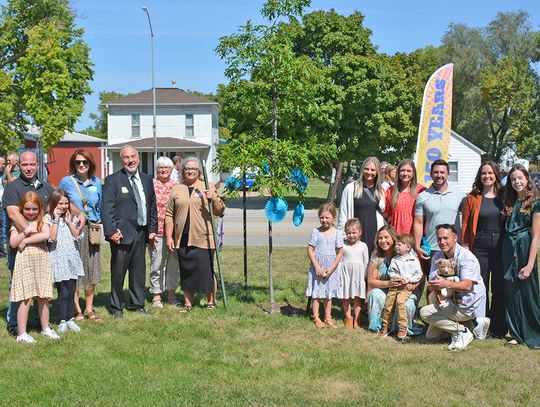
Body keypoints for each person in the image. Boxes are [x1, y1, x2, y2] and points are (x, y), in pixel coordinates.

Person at [2, 151, 55, 335]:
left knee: (40, 286)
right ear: (19, 166)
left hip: (42, 249)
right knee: (18, 286)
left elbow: (53, 210)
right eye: (24, 165)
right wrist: (34, 231)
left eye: (32, 164)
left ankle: (38, 322)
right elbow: (13, 214)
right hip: (20, 248)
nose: (29, 168)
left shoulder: (46, 188)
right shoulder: (12, 188)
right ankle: (15, 325)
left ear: (38, 165)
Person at [101, 145, 158, 318]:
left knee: (139, 271)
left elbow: (152, 207)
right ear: (122, 160)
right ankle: (117, 307)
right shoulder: (113, 180)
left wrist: (153, 230)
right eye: (126, 157)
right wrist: (111, 232)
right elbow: (107, 209)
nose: (130, 160)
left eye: (133, 156)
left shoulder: (147, 180)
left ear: (139, 159)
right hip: (121, 234)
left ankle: (137, 304)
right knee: (118, 272)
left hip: (142, 233)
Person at [165, 157, 225, 311]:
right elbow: (169, 215)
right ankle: (188, 303)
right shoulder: (176, 189)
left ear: (198, 171)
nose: (190, 171)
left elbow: (220, 211)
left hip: (203, 236)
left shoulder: (207, 187)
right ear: (182, 171)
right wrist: (169, 236)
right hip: (183, 237)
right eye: (187, 168)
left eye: (193, 169)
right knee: (187, 271)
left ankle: (211, 301)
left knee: (206, 270)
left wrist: (214, 198)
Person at [420, 224, 487, 351]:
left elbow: (467, 286)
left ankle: (462, 331)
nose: (442, 242)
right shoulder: (437, 257)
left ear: (455, 238)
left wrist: (447, 284)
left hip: (468, 305)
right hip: (448, 302)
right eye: (439, 239)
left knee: (424, 312)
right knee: (431, 336)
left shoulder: (466, 257)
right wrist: (438, 286)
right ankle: (469, 326)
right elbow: (431, 285)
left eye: (446, 238)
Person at [461, 161, 506, 338]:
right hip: (479, 245)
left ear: (496, 175)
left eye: (490, 173)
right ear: (479, 176)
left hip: (500, 244)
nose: (487, 176)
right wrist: (465, 246)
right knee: (480, 287)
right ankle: (481, 324)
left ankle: (498, 326)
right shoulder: (472, 197)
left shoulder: (504, 196)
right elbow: (465, 224)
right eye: (483, 174)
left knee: (499, 286)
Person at [58, 149, 103, 321]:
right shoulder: (67, 182)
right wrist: (77, 215)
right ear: (73, 164)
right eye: (78, 162)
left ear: (91, 164)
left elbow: (99, 207)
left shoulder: (97, 182)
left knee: (91, 269)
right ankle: (77, 309)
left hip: (92, 230)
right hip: (73, 229)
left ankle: (89, 309)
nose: (81, 165)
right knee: (75, 269)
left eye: (85, 162)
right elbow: (60, 202)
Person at [9, 191, 59, 343]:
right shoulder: (17, 224)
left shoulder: (42, 221)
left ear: (40, 208)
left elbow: (46, 236)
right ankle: (22, 333)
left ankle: (45, 328)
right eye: (27, 209)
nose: (31, 212)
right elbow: (13, 243)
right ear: (22, 209)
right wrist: (25, 233)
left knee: (43, 297)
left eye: (34, 209)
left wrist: (25, 242)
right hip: (25, 262)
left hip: (41, 261)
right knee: (26, 298)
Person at [501, 164, 540, 349]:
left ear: (527, 179)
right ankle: (516, 332)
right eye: (513, 179)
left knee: (527, 290)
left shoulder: (535, 202)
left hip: (525, 247)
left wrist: (531, 264)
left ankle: (533, 331)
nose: (517, 182)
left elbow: (537, 236)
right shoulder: (509, 202)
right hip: (509, 247)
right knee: (511, 288)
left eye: (520, 178)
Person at [367, 225, 421, 335]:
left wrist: (412, 286)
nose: (383, 241)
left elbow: (419, 275)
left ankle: (403, 327)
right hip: (387, 290)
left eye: (386, 237)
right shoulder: (376, 255)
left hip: (406, 290)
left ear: (393, 238)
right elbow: (370, 281)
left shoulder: (408, 252)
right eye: (380, 238)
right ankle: (380, 325)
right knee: (375, 294)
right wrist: (388, 283)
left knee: (406, 304)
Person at [414, 159, 465, 267]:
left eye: (442, 172)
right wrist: (417, 246)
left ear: (448, 174)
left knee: (454, 281)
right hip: (432, 247)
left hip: (454, 247)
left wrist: (466, 243)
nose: (439, 175)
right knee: (434, 282)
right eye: (436, 172)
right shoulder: (422, 196)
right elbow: (418, 222)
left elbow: (468, 218)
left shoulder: (459, 194)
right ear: (431, 174)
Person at [46, 190, 85, 333]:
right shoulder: (49, 219)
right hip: (58, 259)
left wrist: (69, 221)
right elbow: (52, 238)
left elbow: (76, 235)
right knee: (63, 292)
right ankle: (61, 319)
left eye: (66, 203)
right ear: (53, 203)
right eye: (60, 203)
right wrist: (56, 219)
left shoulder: (71, 218)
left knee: (71, 290)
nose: (63, 206)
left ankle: (71, 318)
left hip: (71, 258)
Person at [149, 156, 180, 308]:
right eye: (160, 168)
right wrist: (151, 231)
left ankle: (172, 294)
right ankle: (156, 296)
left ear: (171, 170)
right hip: (157, 232)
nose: (163, 170)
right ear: (156, 170)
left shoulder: (176, 185)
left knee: (174, 264)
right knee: (157, 263)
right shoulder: (151, 184)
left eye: (166, 168)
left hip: (174, 232)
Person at [305, 203, 343, 328]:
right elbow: (310, 250)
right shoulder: (316, 232)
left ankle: (328, 318)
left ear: (333, 217)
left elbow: (340, 253)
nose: (324, 220)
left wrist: (331, 270)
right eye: (322, 217)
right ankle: (316, 317)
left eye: (327, 217)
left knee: (328, 294)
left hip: (330, 269)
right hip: (318, 268)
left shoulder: (337, 233)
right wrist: (317, 267)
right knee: (316, 294)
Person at [338, 157, 385, 255]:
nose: (369, 172)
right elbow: (343, 214)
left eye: (372, 170)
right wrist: (343, 236)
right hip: (355, 236)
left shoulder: (382, 191)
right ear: (362, 169)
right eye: (366, 169)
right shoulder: (351, 188)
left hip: (374, 235)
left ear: (377, 172)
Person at [380, 233, 422, 339]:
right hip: (395, 286)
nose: (396, 247)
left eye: (400, 245)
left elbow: (419, 275)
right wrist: (395, 277)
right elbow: (391, 271)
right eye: (396, 245)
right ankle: (386, 325)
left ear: (408, 248)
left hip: (405, 288)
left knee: (400, 302)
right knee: (389, 303)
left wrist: (409, 280)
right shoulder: (395, 260)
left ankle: (403, 326)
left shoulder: (413, 260)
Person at [338, 218, 369, 329]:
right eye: (349, 233)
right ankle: (348, 318)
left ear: (360, 232)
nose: (351, 235)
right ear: (345, 233)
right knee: (345, 297)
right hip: (345, 274)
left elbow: (366, 261)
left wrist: (365, 276)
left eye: (354, 233)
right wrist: (339, 276)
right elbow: (339, 261)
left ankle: (357, 318)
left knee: (357, 298)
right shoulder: (343, 245)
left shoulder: (363, 246)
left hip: (358, 276)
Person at [383, 159, 426, 234]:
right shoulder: (390, 191)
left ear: (413, 173)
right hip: (396, 236)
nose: (405, 173)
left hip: (415, 237)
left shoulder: (421, 190)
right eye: (402, 170)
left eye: (409, 171)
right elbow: (387, 213)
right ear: (398, 172)